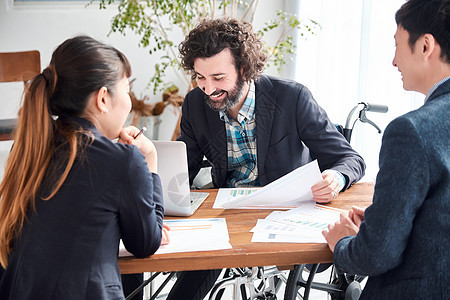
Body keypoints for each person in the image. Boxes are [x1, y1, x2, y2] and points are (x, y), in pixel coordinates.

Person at [167, 18, 366, 300]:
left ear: (244, 68)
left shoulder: (291, 98)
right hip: (229, 215)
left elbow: (349, 158)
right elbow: (181, 169)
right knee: (193, 273)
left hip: (285, 214)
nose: (208, 88)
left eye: (218, 78)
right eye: (200, 77)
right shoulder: (195, 104)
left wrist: (336, 177)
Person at [0, 35, 169, 299]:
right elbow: (146, 242)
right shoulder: (122, 160)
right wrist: (150, 158)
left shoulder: (32, 146)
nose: (129, 102)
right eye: (127, 90)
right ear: (103, 98)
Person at [322, 0, 450, 299]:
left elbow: (376, 256)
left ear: (425, 46)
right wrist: (382, 220)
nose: (394, 61)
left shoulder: (412, 131)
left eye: (397, 45)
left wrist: (343, 242)